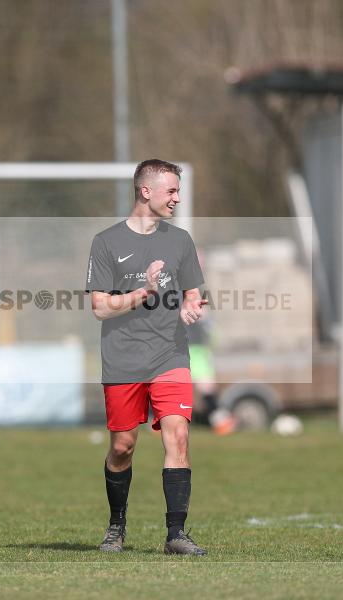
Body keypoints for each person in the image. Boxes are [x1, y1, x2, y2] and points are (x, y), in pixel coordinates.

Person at [85, 159, 208, 555]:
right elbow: (101, 308)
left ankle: (176, 534)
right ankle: (116, 526)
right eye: (170, 190)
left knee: (179, 436)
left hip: (170, 355)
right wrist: (145, 292)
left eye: (177, 190)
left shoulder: (181, 240)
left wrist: (192, 307)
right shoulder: (105, 242)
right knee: (122, 447)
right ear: (145, 191)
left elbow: (193, 292)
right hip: (122, 359)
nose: (177, 198)